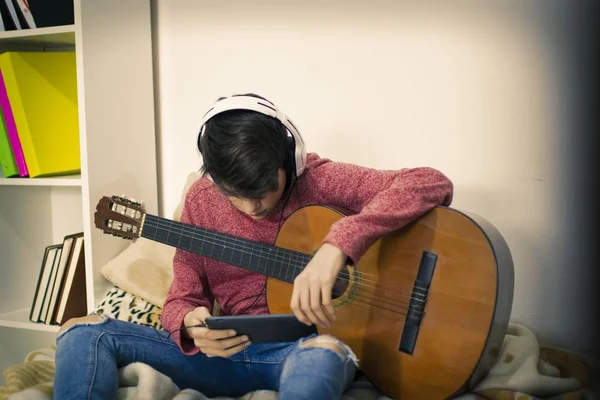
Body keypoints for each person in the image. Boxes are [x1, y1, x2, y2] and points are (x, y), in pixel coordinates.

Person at [53, 93, 454, 399]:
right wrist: (190, 325)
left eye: (264, 190)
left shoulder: (316, 179)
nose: (252, 206)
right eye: (235, 195)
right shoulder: (201, 202)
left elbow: (428, 181)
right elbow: (181, 296)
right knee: (82, 334)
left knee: (321, 358)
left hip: (301, 352)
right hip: (219, 356)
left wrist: (338, 246)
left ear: (288, 158)